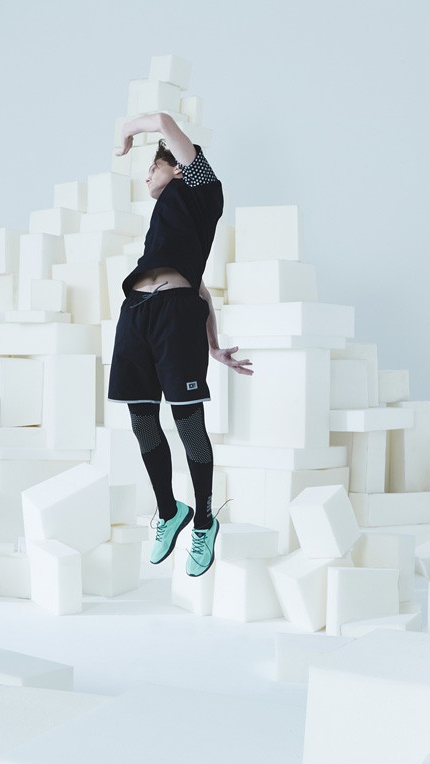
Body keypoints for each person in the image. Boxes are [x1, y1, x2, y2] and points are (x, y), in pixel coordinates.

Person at [108, 112, 254, 578]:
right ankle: (170, 512)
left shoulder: (202, 189)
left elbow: (162, 120)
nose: (146, 175)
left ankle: (205, 522)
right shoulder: (167, 222)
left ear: (176, 167)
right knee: (141, 419)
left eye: (153, 166)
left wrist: (127, 132)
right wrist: (213, 343)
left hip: (174, 316)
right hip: (137, 312)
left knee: (188, 422)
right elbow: (200, 287)